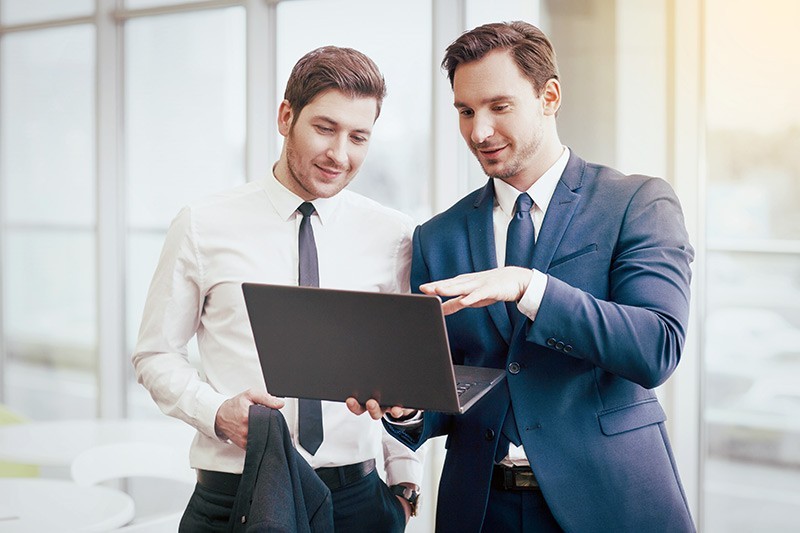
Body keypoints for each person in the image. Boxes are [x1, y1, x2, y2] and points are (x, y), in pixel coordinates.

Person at [349, 21, 696, 532]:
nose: (479, 131)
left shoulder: (636, 202)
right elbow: (452, 386)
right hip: (482, 509)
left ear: (549, 96)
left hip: (611, 502)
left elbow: (655, 347)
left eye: (499, 106)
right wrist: (407, 408)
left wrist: (530, 287)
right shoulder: (437, 237)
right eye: (465, 111)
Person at [133, 45, 423, 533]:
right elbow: (154, 353)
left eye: (359, 137)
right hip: (234, 493)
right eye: (325, 128)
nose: (340, 154)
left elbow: (393, 373)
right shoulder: (203, 225)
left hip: (357, 498)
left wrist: (405, 483)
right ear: (286, 116)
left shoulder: (394, 235)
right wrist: (216, 412)